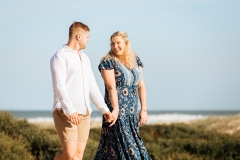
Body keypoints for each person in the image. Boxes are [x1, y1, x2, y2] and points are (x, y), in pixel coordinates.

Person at [50, 21, 112, 160]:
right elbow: (59, 86)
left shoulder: (85, 58)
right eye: (87, 36)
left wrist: (105, 110)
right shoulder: (60, 56)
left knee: (78, 156)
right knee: (70, 155)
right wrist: (70, 110)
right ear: (78, 36)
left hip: (84, 112)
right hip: (65, 112)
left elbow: (92, 86)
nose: (88, 39)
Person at [94, 31, 152, 159]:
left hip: (131, 115)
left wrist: (144, 109)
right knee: (130, 153)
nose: (115, 46)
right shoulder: (108, 62)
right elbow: (111, 87)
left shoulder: (135, 60)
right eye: (112, 43)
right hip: (117, 114)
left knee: (116, 153)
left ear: (126, 43)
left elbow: (141, 86)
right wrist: (116, 110)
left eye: (118, 43)